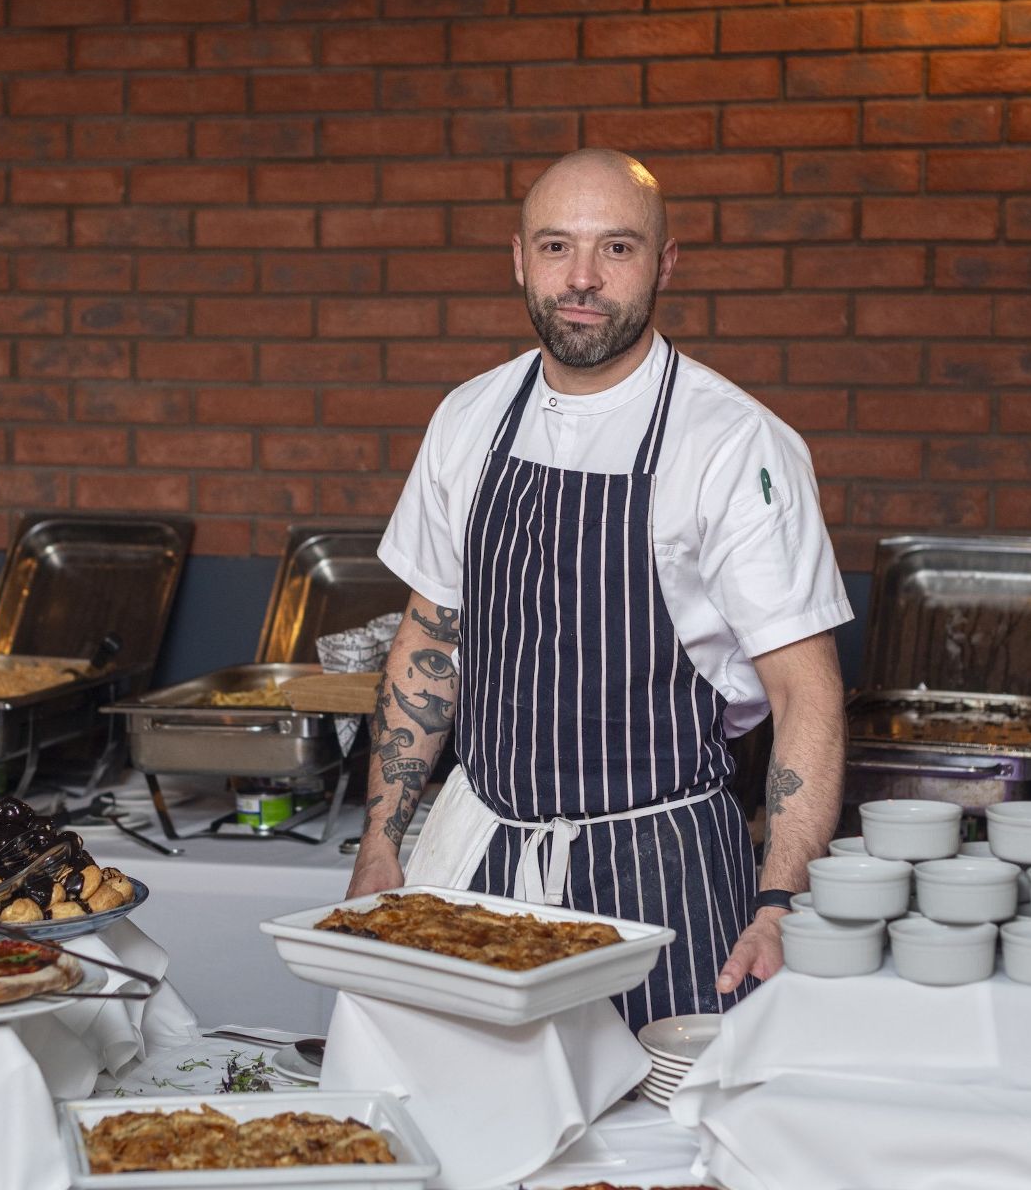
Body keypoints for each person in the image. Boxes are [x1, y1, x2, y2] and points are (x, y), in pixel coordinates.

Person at [348, 148, 851, 1029]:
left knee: (664, 1143)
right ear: (518, 259)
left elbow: (804, 691)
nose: (581, 279)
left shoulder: (734, 444)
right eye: (556, 248)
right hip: (480, 857)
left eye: (616, 249)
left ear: (664, 263)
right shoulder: (469, 417)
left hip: (662, 872)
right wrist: (381, 845)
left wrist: (779, 902)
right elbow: (431, 638)